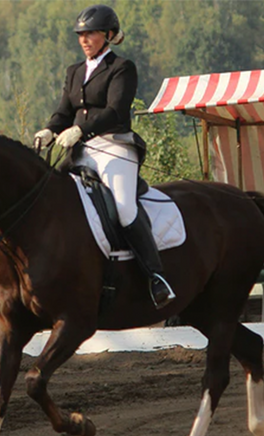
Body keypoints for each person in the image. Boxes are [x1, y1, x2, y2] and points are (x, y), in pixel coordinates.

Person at [33, 5, 175, 309]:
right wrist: (49, 130)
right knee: (53, 196)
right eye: (81, 34)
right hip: (81, 150)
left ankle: (156, 277)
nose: (85, 39)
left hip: (115, 147)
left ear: (108, 35)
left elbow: (116, 111)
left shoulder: (122, 67)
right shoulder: (74, 71)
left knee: (123, 208)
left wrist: (79, 129)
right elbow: (63, 112)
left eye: (91, 33)